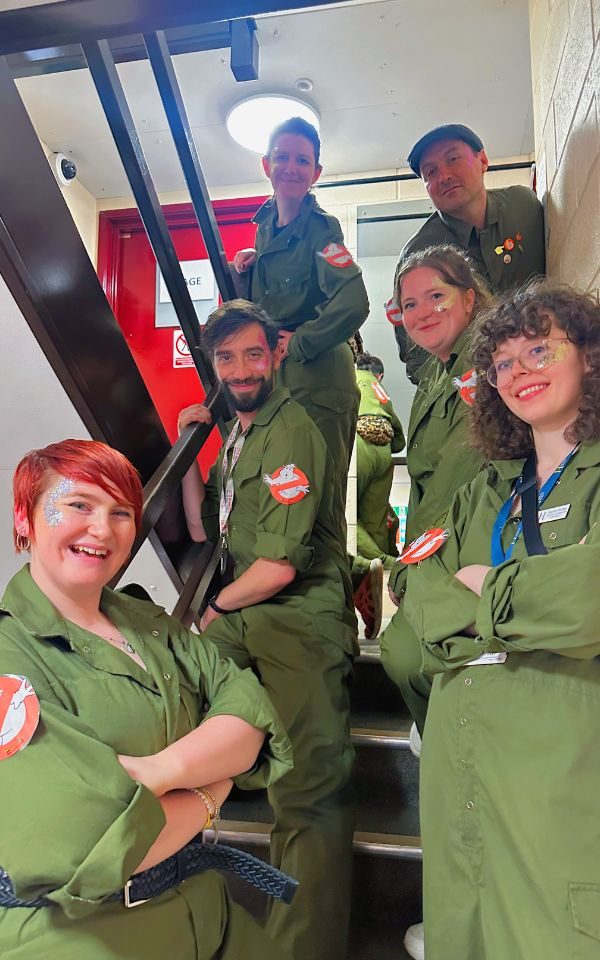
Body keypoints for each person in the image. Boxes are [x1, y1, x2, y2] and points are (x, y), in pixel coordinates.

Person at [0, 438, 294, 960]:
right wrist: (209, 791)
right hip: (83, 936)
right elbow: (91, 842)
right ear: (24, 518)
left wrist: (160, 773)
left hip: (200, 906)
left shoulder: (145, 621)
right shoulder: (9, 655)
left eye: (120, 512)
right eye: (78, 505)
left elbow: (248, 711)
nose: (102, 528)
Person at [402, 283, 600, 960]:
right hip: (462, 757)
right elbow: (417, 597)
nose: (520, 372)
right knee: (464, 933)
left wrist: (482, 590)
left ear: (591, 359)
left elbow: (589, 600)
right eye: (504, 363)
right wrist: (522, 604)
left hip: (560, 758)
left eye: (541, 349)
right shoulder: (486, 488)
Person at [178, 300, 356, 960]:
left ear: (277, 353)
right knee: (160, 688)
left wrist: (215, 608)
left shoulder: (292, 430)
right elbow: (203, 530)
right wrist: (184, 433)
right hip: (247, 612)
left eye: (254, 353)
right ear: (214, 364)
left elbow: (279, 568)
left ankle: (305, 948)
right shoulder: (241, 433)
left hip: (295, 617)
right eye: (227, 358)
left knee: (308, 788)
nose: (242, 368)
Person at [378, 246, 490, 960]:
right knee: (399, 656)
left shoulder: (487, 367)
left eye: (434, 297)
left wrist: (434, 567)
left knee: (417, 670)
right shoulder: (433, 377)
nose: (420, 313)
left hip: (474, 569)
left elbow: (475, 484)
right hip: (436, 562)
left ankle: (463, 930)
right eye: (407, 304)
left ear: (470, 296)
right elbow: (427, 488)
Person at [233, 115, 369, 566]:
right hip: (281, 384)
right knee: (284, 493)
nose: (291, 167)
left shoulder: (322, 230)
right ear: (266, 164)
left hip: (321, 383)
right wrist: (250, 268)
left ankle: (334, 605)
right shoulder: (265, 223)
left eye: (302, 160)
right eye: (282, 157)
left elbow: (353, 301)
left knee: (321, 505)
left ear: (316, 173)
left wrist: (301, 342)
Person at [391, 123, 545, 381]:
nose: (444, 176)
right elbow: (415, 354)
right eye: (430, 171)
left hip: (545, 368)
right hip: (473, 391)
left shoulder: (524, 207)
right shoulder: (418, 254)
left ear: (482, 160)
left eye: (453, 159)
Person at [355, 352, 404, 568]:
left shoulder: (350, 376)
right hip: (383, 452)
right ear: (380, 375)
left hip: (357, 444)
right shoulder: (381, 391)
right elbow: (400, 441)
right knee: (377, 517)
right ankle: (387, 564)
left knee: (341, 509)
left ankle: (374, 559)